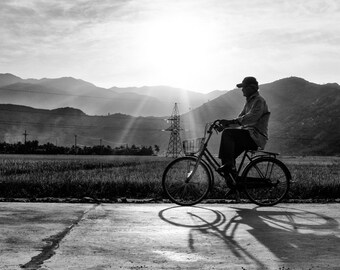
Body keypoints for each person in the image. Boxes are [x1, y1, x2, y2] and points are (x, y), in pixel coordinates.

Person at [217, 76, 270, 185]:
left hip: (255, 136)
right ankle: (233, 183)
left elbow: (251, 118)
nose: (242, 90)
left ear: (252, 88)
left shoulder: (259, 101)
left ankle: (231, 169)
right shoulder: (249, 102)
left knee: (228, 136)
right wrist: (226, 125)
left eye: (244, 87)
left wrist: (229, 122)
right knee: (226, 156)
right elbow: (239, 119)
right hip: (247, 135)